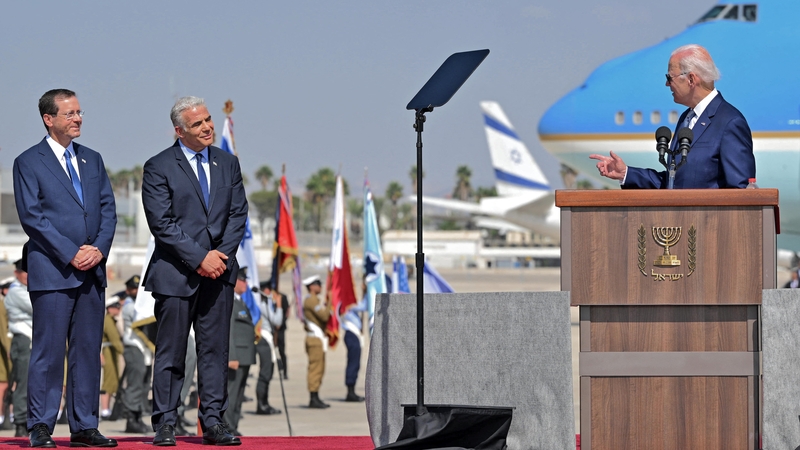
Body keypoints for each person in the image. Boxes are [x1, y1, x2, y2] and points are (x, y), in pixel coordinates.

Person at [12, 89, 117, 448]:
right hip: (53, 271)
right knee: (49, 351)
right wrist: (72, 253)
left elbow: (107, 211)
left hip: (91, 272)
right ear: (49, 119)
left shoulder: (93, 159)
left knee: (88, 350)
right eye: (70, 113)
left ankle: (85, 425)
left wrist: (98, 251)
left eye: (79, 112)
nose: (78, 118)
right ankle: (40, 425)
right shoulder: (29, 162)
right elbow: (33, 218)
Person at [141, 96, 248, 446]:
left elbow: (237, 215)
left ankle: (214, 422)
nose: (207, 127)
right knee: (171, 353)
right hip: (176, 275)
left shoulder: (227, 163)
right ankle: (166, 423)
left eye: (208, 120)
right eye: (197, 124)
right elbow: (162, 223)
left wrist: (220, 257)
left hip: (219, 274)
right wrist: (200, 257)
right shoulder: (158, 166)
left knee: (215, 352)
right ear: (179, 130)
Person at [590, 44, 755, 189]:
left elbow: (740, 192)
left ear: (691, 79)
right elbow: (673, 183)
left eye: (669, 77)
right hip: (681, 223)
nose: (667, 84)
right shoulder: (687, 118)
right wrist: (625, 173)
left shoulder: (729, 122)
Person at [223, 268, 257, 435]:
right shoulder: (230, 302)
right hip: (236, 357)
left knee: (239, 393)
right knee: (232, 393)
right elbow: (228, 332)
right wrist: (231, 356)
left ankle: (234, 426)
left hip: (245, 356)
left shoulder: (241, 302)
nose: (246, 284)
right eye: (243, 280)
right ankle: (228, 426)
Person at [5, 257, 31, 438]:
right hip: (23, 339)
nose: (28, 275)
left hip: (32, 339)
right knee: (23, 383)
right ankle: (21, 422)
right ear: (16, 273)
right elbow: (36, 307)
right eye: (25, 272)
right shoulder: (16, 291)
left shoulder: (26, 289)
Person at [254, 280, 283, 415]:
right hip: (263, 339)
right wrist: (279, 305)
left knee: (269, 372)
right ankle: (261, 404)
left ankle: (265, 402)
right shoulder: (262, 305)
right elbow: (277, 321)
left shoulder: (266, 304)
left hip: (268, 339)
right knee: (265, 372)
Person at [303, 275, 331, 409]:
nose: (320, 286)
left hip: (317, 338)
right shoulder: (311, 301)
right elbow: (324, 316)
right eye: (318, 284)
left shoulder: (314, 300)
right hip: (314, 340)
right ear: (312, 287)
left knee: (320, 368)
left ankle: (316, 396)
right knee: (315, 369)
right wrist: (330, 302)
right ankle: (313, 398)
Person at [341, 278, 368, 402]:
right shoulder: (344, 305)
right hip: (351, 335)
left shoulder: (347, 304)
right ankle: (350, 391)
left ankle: (351, 390)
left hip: (354, 335)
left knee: (355, 363)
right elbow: (364, 306)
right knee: (353, 363)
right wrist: (367, 291)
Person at [100, 298, 124, 420]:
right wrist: (124, 351)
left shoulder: (110, 320)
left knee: (112, 381)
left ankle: (106, 409)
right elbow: (114, 339)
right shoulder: (108, 320)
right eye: (116, 307)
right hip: (108, 351)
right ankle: (105, 410)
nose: (118, 309)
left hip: (111, 351)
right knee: (108, 381)